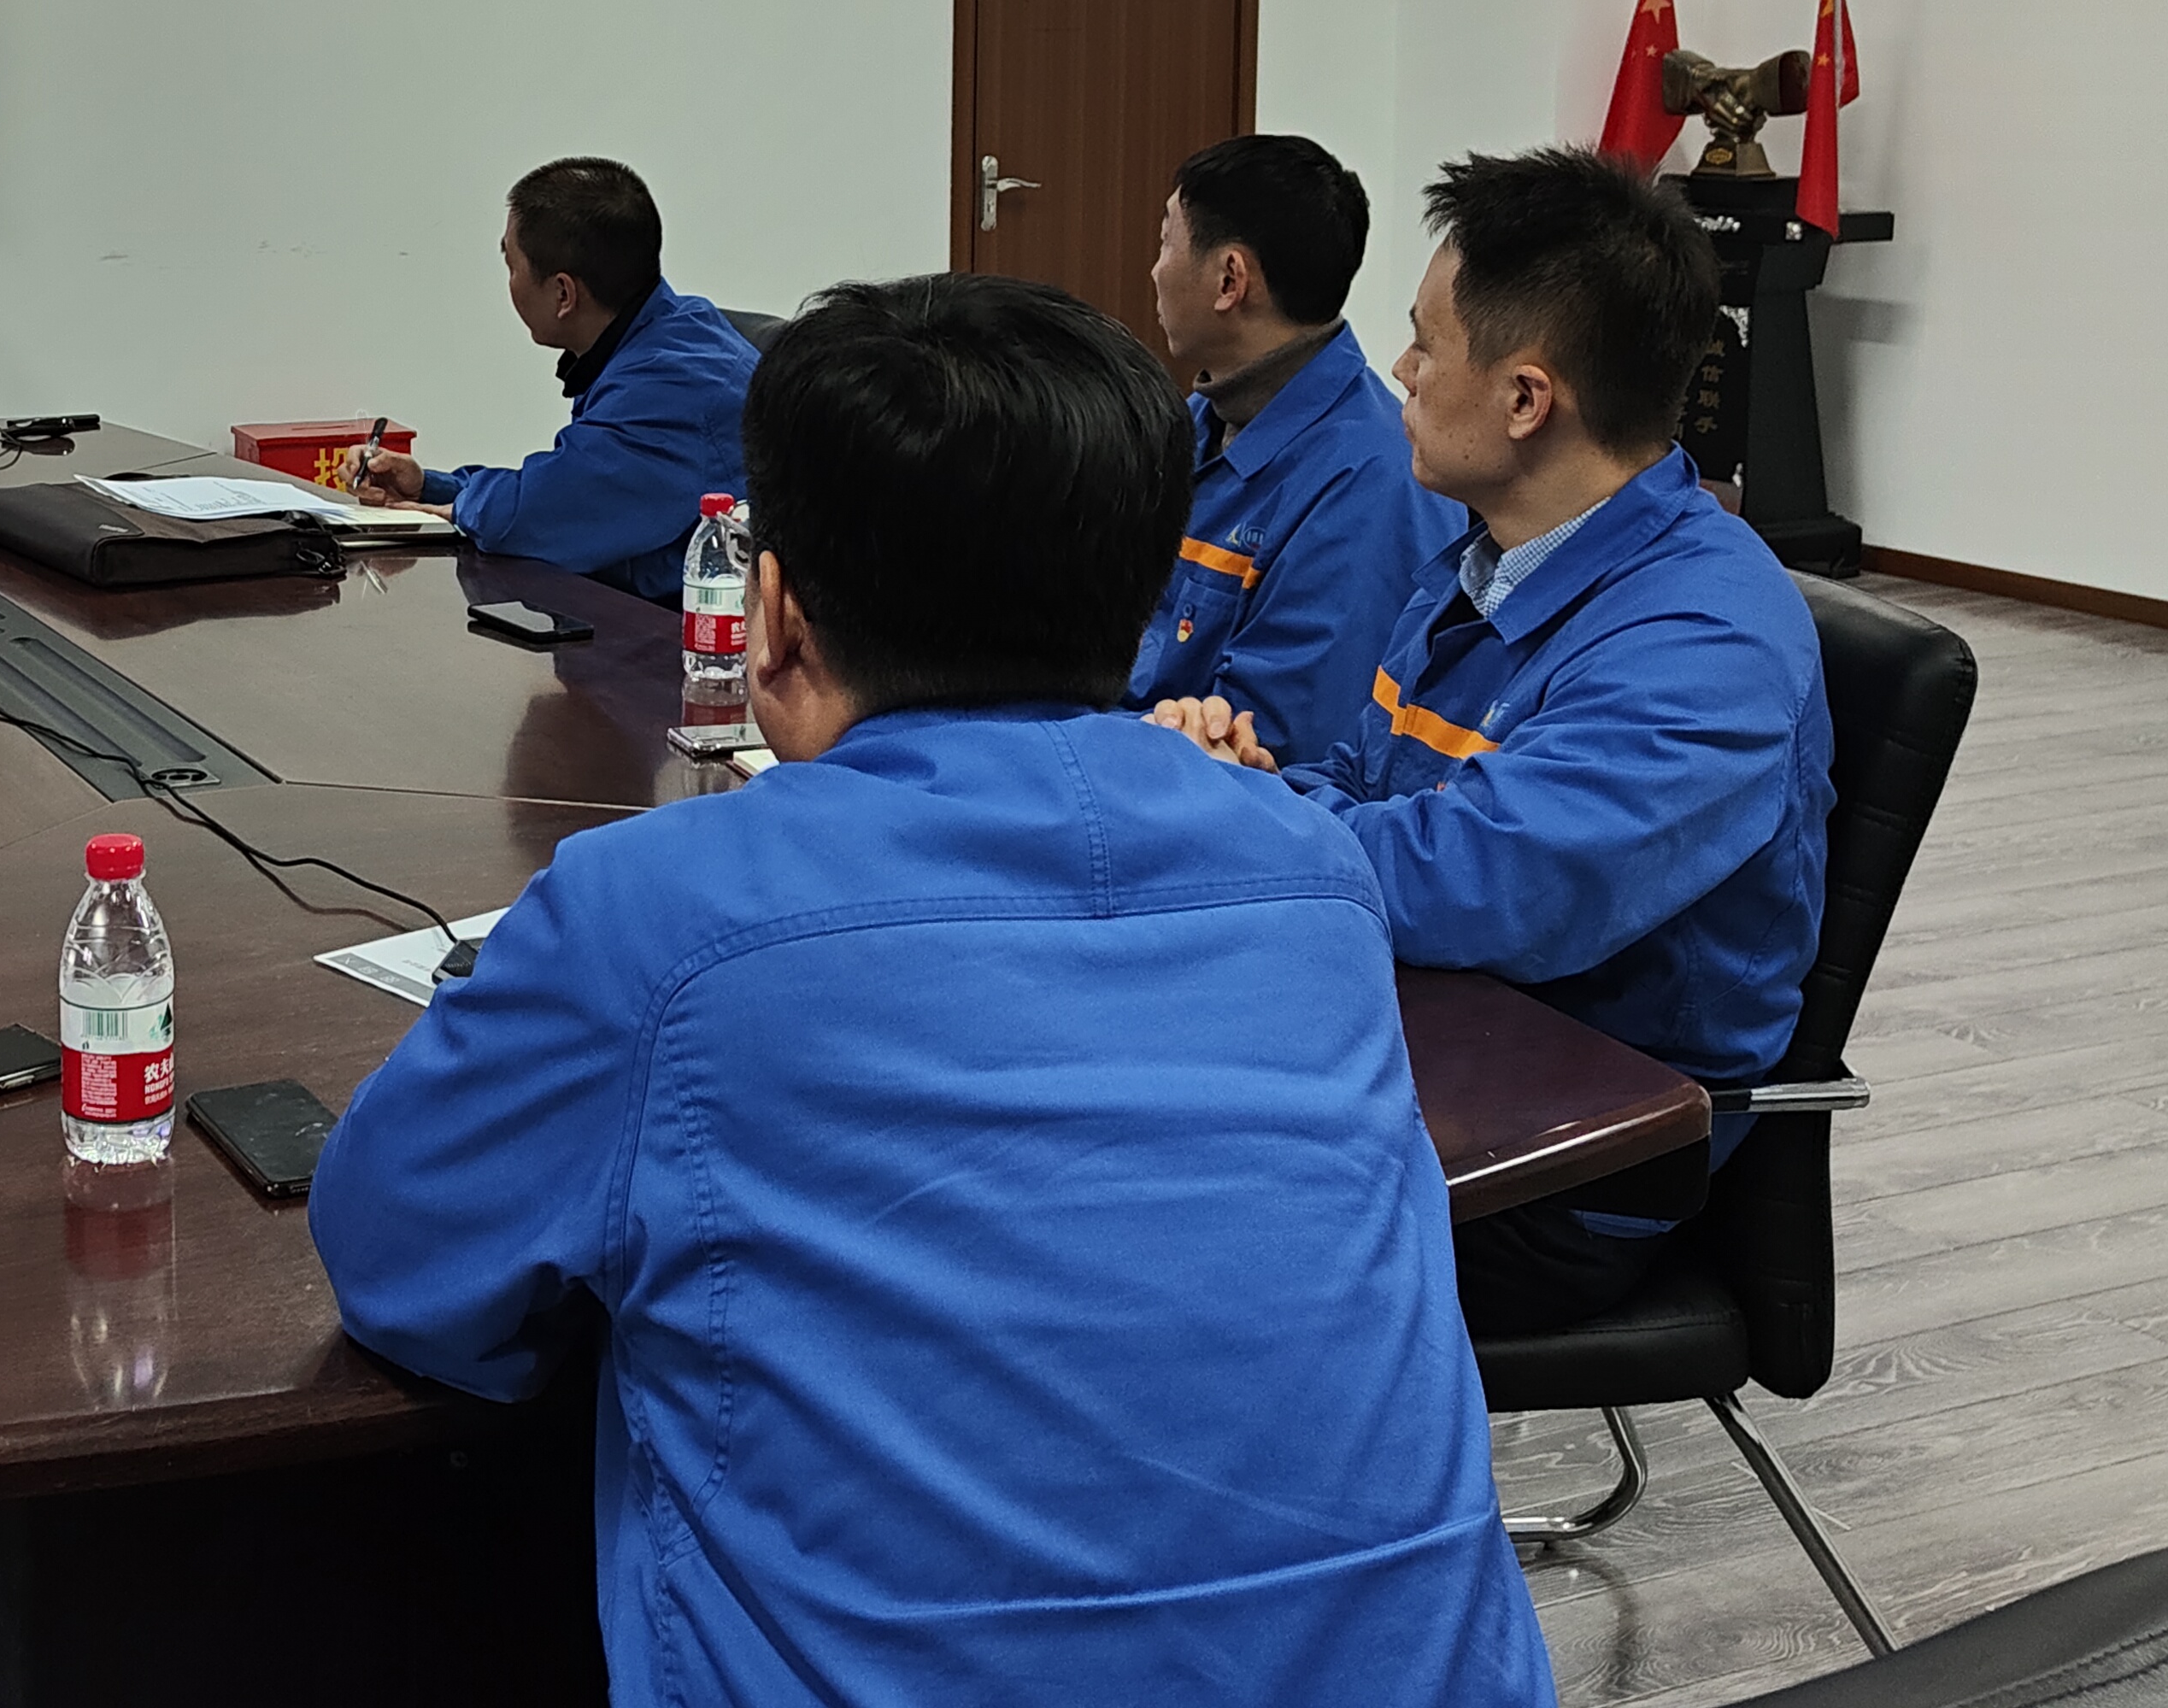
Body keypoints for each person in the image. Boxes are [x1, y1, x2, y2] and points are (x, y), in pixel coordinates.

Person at [311, 275, 1551, 1707]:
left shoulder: (653, 915)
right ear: (1146, 600)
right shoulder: (1312, 871)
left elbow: (401, 1267)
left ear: (772, 613)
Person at [1154, 146, 1832, 1338]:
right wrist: (1259, 779)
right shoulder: (1482, 557)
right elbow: (1363, 777)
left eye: (1426, 346)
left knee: (1132, 1223)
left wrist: (1243, 811)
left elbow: (1483, 884)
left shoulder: (1705, 640)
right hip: (1418, 1043)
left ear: (1525, 399)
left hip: (1573, 1155)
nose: (1401, 372)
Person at [1131, 133, 1459, 763]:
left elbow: (1277, 747)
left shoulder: (1370, 484)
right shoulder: (1204, 418)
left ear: (1230, 279)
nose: (1155, 269)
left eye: (1167, 242)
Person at [352, 158, 758, 600]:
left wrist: (460, 502)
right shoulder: (673, 328)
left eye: (512, 265)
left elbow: (534, 516)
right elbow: (565, 484)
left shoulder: (672, 385)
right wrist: (429, 487)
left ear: (563, 293)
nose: (510, 283)